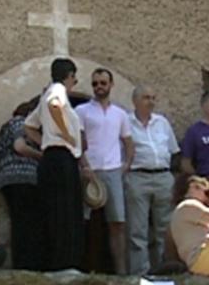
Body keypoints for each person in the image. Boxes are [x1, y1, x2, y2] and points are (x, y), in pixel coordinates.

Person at [24, 57, 84, 270]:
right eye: (74, 78)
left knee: (56, 210)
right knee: (65, 212)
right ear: (69, 76)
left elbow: (29, 126)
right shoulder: (57, 90)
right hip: (61, 158)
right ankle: (64, 262)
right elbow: (54, 105)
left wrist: (45, 143)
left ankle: (58, 262)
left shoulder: (47, 93)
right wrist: (65, 134)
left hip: (52, 157)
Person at [76, 68, 134, 275]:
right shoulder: (81, 111)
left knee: (117, 223)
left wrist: (125, 165)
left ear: (111, 84)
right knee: (86, 223)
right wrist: (83, 165)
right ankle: (86, 270)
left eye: (103, 83)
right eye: (95, 83)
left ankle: (120, 273)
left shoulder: (120, 114)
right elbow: (77, 142)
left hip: (112, 172)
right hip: (89, 172)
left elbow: (128, 141)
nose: (99, 87)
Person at [125, 84, 179, 275]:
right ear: (135, 101)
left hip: (163, 176)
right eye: (147, 98)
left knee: (164, 228)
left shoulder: (162, 122)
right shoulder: (126, 122)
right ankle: (140, 273)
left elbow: (173, 151)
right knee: (137, 230)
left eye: (153, 98)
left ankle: (163, 271)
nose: (151, 102)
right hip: (137, 176)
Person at [0, 98, 42, 270]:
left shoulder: (8, 125)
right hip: (23, 178)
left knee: (20, 221)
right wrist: (44, 156)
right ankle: (26, 264)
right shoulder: (21, 123)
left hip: (9, 179)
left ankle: (22, 264)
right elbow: (20, 147)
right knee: (26, 223)